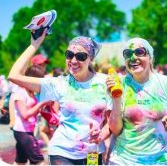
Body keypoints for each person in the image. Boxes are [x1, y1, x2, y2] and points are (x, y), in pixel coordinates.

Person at [8, 29, 112, 165]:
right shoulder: (58, 83)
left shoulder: (105, 82)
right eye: (69, 55)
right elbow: (13, 76)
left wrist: (102, 134)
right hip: (62, 152)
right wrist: (35, 44)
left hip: (93, 153)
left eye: (80, 56)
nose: (73, 60)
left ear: (91, 58)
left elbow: (111, 121)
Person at [106, 37, 167, 165]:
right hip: (123, 160)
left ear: (150, 58)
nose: (133, 58)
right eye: (128, 54)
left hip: (158, 161)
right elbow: (115, 130)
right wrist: (116, 98)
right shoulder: (118, 83)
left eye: (139, 52)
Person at [12, 65, 52, 165]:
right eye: (39, 80)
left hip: (26, 131)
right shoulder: (20, 92)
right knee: (40, 162)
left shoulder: (30, 92)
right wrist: (41, 104)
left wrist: (43, 109)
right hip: (23, 132)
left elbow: (32, 110)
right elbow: (25, 115)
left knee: (20, 162)